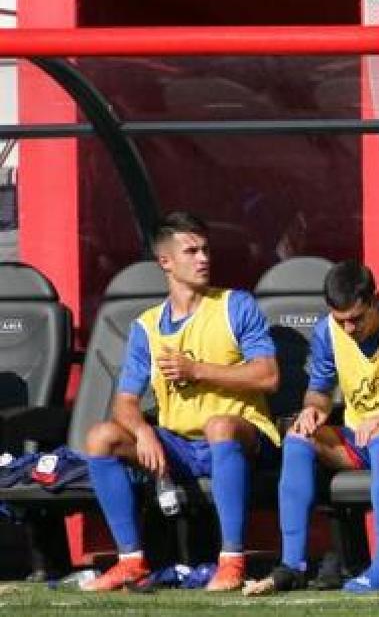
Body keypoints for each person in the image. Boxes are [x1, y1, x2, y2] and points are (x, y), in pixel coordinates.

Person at [82, 211, 281, 592]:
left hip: (244, 437)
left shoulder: (235, 305)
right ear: (166, 262)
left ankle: (232, 560)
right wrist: (143, 432)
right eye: (192, 251)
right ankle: (130, 561)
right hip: (179, 443)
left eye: (205, 250)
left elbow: (268, 376)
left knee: (219, 424)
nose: (203, 258)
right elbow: (125, 401)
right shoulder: (147, 325)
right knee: (100, 437)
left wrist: (197, 370)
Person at [245, 260, 379, 595]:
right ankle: (292, 566)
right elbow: (318, 392)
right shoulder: (326, 332)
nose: (348, 328)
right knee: (298, 438)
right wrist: (312, 412)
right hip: (362, 438)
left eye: (356, 318)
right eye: (340, 319)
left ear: (375, 300)